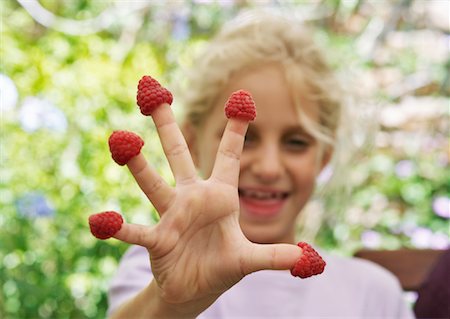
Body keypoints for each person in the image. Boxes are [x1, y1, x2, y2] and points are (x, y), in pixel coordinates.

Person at [102, 8, 414, 318]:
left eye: (296, 143)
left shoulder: (374, 295)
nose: (268, 168)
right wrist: (169, 305)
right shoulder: (156, 272)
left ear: (323, 158)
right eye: (245, 138)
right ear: (192, 145)